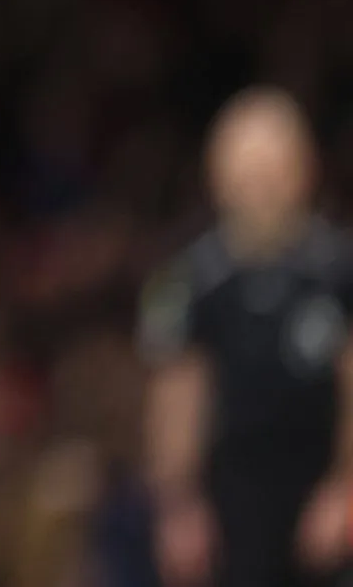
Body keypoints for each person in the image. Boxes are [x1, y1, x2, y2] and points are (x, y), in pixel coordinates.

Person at [142, 87, 353, 587]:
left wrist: (345, 487)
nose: (260, 189)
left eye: (273, 171)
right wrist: (179, 506)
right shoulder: (185, 279)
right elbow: (175, 395)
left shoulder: (339, 269)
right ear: (218, 178)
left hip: (320, 491)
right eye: (247, 173)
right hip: (227, 502)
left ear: (304, 172)